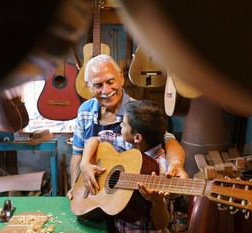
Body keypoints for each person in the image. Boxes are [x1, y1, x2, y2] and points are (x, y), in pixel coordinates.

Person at [69, 54, 187, 193]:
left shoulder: (136, 112)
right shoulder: (84, 111)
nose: (106, 90)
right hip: (97, 195)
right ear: (89, 87)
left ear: (120, 77)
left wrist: (176, 164)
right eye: (98, 85)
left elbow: (168, 140)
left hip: (127, 199)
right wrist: (75, 188)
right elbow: (77, 153)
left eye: (110, 81)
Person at [78, 99, 175, 233]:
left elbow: (161, 224)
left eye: (123, 124)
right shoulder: (128, 146)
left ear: (137, 137)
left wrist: (157, 201)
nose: (119, 126)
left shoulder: (161, 168)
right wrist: (85, 163)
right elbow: (94, 139)